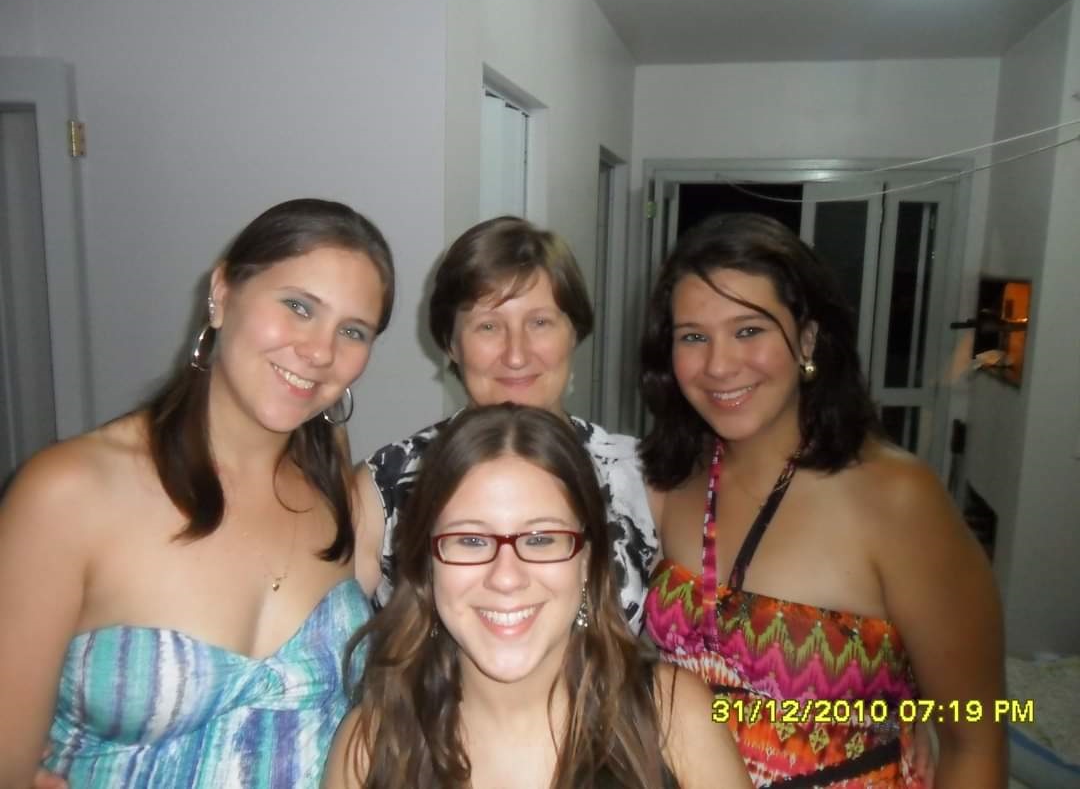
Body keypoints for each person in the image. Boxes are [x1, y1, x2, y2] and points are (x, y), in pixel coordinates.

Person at [0, 199, 394, 788]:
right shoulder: (67, 493)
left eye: (352, 331)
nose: (320, 351)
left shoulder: (333, 483)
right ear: (221, 293)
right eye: (298, 306)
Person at [639, 213, 1005, 787]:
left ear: (807, 339)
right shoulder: (668, 482)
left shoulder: (896, 499)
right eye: (693, 337)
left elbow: (976, 739)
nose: (719, 365)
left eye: (749, 330)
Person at [324, 404, 753, 789]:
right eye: (470, 540)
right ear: (427, 563)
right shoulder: (371, 746)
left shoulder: (674, 717)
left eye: (542, 538)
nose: (506, 577)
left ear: (586, 560)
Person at [355, 217, 657, 632]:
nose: (516, 355)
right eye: (488, 326)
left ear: (574, 332)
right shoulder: (384, 488)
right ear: (451, 344)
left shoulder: (644, 478)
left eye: (540, 322)